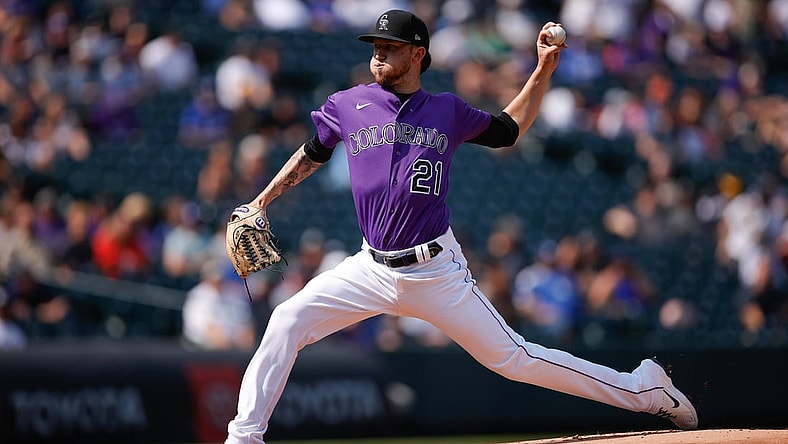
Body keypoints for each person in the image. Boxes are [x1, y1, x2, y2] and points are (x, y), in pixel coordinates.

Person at [225, 10, 698, 444]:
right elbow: (313, 152)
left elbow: (510, 128)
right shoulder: (349, 104)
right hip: (369, 267)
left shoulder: (446, 110)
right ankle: (244, 437)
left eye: (388, 46)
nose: (377, 53)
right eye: (375, 45)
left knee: (515, 360)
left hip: (435, 271)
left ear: (417, 54)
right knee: (287, 318)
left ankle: (645, 389)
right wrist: (261, 200)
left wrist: (543, 70)